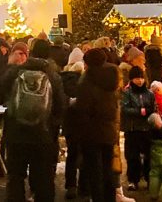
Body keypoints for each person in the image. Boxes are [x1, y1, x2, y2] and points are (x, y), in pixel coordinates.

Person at [0, 39, 66, 202]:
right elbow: (60, 105)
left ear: (31, 52)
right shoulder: (52, 75)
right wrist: (52, 125)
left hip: (16, 134)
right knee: (43, 177)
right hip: (42, 135)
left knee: (15, 177)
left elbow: (0, 92)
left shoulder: (15, 72)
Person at [75, 49, 121, 202]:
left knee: (94, 171)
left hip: (90, 132)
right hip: (108, 129)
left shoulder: (86, 81)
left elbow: (83, 109)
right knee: (108, 170)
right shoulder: (112, 76)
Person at [121, 65, 156, 191]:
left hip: (146, 128)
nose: (140, 81)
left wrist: (147, 112)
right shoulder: (127, 93)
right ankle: (133, 179)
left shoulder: (149, 93)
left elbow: (153, 108)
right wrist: (139, 111)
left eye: (141, 78)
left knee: (148, 156)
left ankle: (149, 178)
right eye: (137, 78)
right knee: (132, 156)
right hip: (132, 128)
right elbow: (124, 109)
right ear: (131, 79)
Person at [60, 52, 85, 199]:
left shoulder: (62, 79)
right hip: (83, 123)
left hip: (69, 123)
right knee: (83, 155)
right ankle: (83, 186)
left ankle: (70, 185)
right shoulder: (83, 81)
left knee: (72, 155)